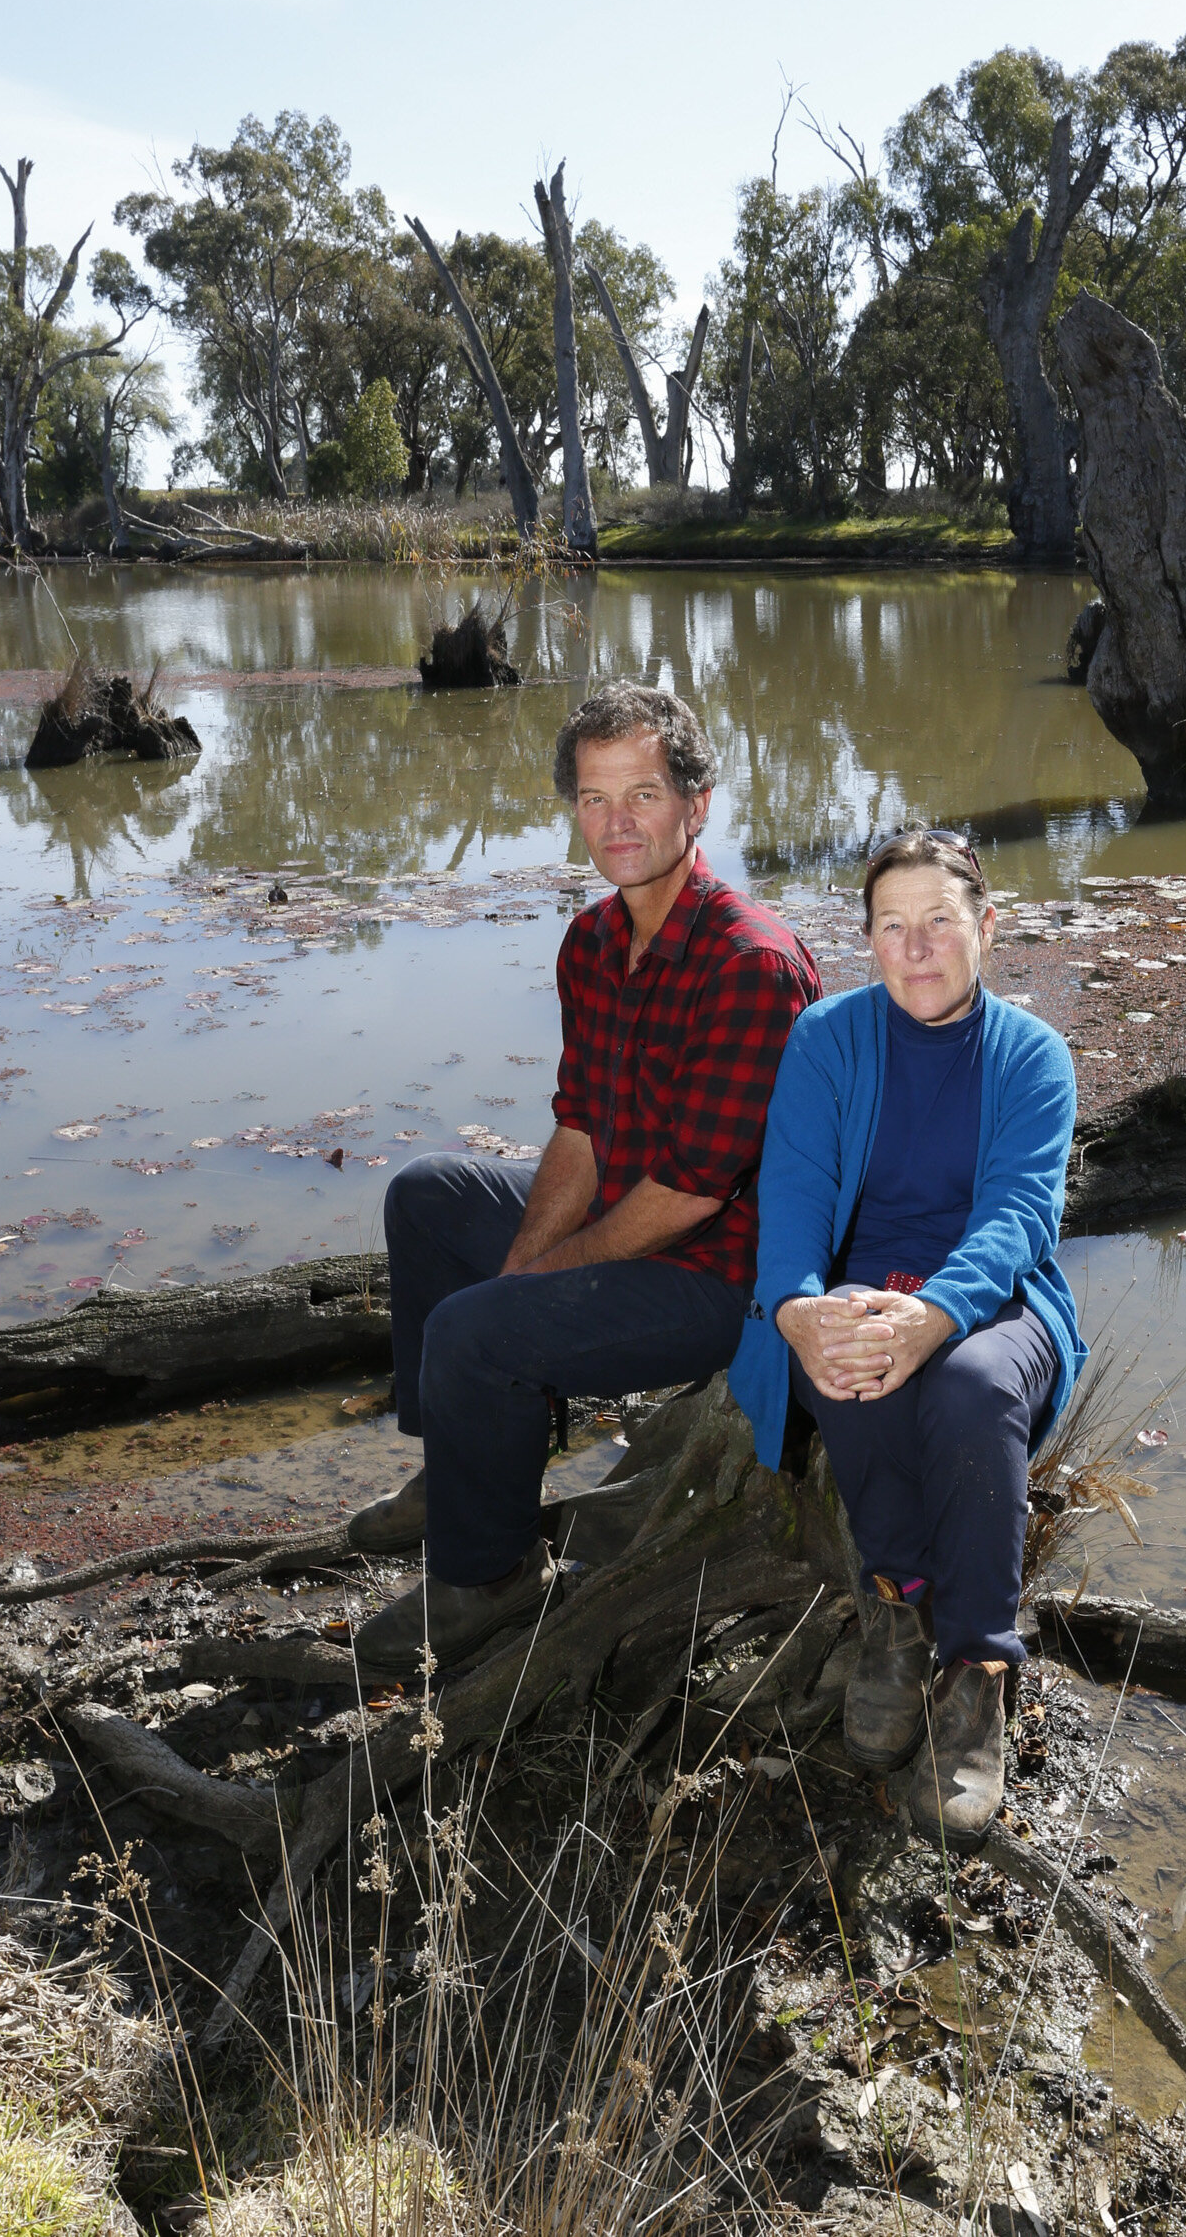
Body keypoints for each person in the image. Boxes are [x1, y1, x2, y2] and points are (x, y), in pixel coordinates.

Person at [352, 681, 821, 1672]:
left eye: (643, 795)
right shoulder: (594, 942)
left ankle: (487, 1579)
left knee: (475, 1331)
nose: (617, 823)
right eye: (595, 798)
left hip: (723, 1279)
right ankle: (462, 1470)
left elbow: (691, 1191)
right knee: (430, 1196)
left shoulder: (750, 965)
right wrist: (531, 1260)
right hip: (636, 1217)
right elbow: (581, 1128)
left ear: (697, 807)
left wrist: (542, 1279)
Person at [728, 828, 1083, 1850]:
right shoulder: (828, 1037)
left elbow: (1020, 1218)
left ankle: (976, 1671)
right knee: (847, 1360)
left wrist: (932, 1316)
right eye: (893, 925)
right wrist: (798, 1308)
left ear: (985, 925)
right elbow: (789, 1194)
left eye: (939, 920)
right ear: (870, 937)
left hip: (994, 1297)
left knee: (970, 1389)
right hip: (859, 1285)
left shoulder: (1030, 1055)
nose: (916, 946)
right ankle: (893, 1609)